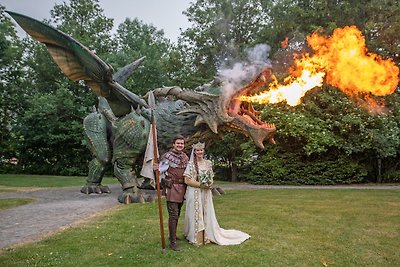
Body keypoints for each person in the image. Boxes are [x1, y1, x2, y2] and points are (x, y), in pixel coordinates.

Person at [183, 142, 251, 246]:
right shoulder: (191, 164)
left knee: (206, 212)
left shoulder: (208, 163)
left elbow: (211, 178)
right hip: (195, 192)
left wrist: (209, 184)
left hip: (206, 193)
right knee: (195, 212)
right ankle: (196, 237)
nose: (200, 152)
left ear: (203, 151)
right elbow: (187, 180)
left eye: (201, 150)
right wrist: (201, 185)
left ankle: (207, 234)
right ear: (195, 152)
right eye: (197, 150)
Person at [158, 135, 189, 251]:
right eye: (178, 143)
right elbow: (160, 171)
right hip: (172, 188)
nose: (180, 145)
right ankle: (172, 242)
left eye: (182, 143)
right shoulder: (167, 157)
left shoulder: (185, 157)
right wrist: (157, 169)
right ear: (173, 144)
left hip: (182, 188)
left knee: (178, 214)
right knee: (173, 215)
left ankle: (173, 235)